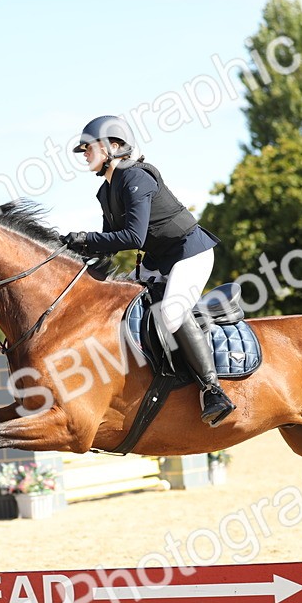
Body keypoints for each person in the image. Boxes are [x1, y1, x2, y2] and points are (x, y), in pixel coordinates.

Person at [59, 115, 235, 427]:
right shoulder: (106, 191)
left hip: (189, 254)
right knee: (117, 305)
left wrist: (85, 238)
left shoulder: (135, 177)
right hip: (157, 261)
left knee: (171, 313)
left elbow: (133, 237)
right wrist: (67, 254)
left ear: (114, 146)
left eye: (89, 147)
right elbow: (109, 245)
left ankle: (213, 390)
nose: (84, 154)